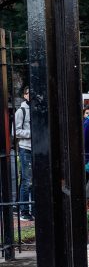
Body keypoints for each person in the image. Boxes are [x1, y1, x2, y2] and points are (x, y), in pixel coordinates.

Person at [14, 86, 33, 221]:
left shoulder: (37, 109)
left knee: (35, 181)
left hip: (37, 149)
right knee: (27, 181)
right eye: (28, 93)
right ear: (24, 95)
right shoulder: (21, 111)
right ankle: (24, 211)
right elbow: (15, 131)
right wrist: (32, 133)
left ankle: (34, 209)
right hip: (25, 148)